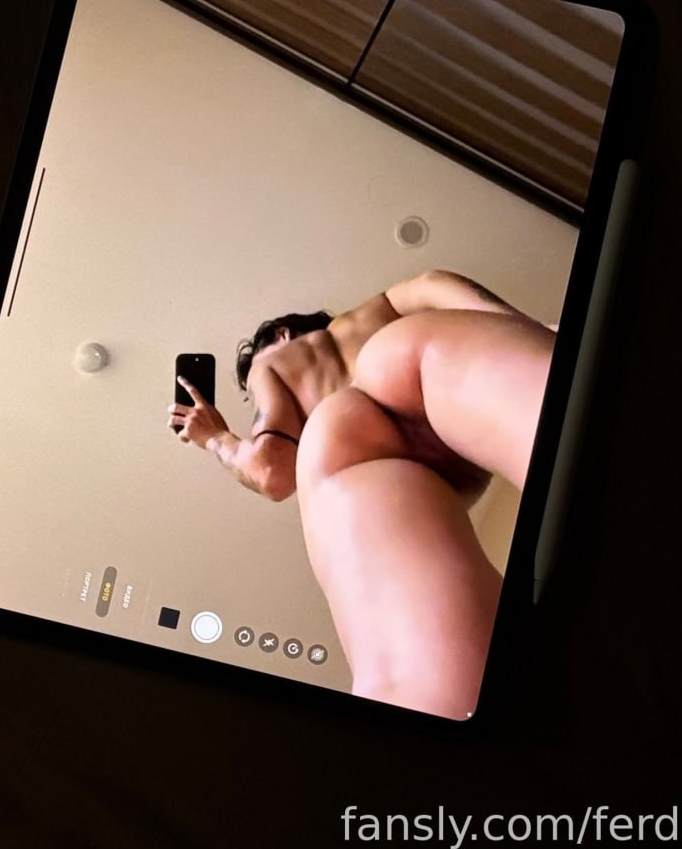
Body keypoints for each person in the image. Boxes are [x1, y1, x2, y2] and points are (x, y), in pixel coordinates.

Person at [166, 269, 556, 719]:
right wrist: (518, 329)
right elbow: (432, 282)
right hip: (413, 359)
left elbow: (271, 469)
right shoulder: (373, 312)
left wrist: (217, 439)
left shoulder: (267, 365)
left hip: (357, 448)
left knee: (425, 694)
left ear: (282, 333)